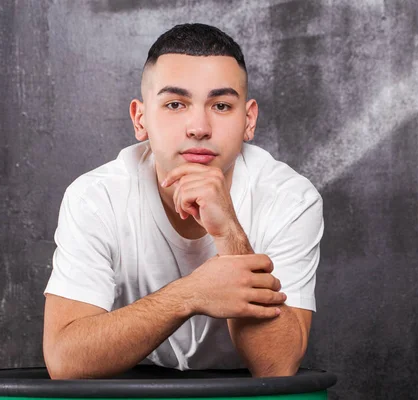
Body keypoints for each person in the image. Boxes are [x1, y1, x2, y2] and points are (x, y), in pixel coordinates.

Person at [43, 23, 323, 379]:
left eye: (221, 105)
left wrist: (230, 235)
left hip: (243, 392)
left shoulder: (290, 198)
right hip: (132, 388)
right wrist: (190, 295)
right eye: (175, 104)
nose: (198, 127)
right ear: (140, 119)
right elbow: (66, 362)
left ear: (248, 120)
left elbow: (276, 366)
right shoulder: (96, 197)